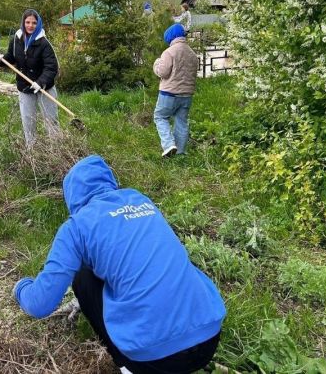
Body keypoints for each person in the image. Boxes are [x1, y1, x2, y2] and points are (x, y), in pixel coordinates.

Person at [13, 155, 225, 374]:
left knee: (83, 278)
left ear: (71, 196)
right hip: (209, 337)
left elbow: (40, 304)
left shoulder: (76, 226)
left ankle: (126, 366)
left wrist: (21, 288)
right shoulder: (140, 200)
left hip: (154, 359)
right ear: (110, 181)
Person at [0, 8, 59, 144]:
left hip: (44, 88)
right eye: (27, 22)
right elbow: (10, 58)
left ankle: (56, 149)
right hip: (24, 87)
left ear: (38, 24)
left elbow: (51, 67)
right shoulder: (16, 39)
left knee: (51, 120)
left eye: (34, 23)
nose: (30, 25)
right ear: (23, 22)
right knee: (28, 121)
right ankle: (31, 151)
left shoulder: (44, 43)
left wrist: (40, 82)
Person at [153, 24, 199, 157]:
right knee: (182, 121)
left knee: (160, 117)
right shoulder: (192, 53)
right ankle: (180, 153)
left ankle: (168, 145)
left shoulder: (169, 52)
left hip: (169, 94)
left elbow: (163, 72)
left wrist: (156, 64)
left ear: (170, 38)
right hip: (187, 95)